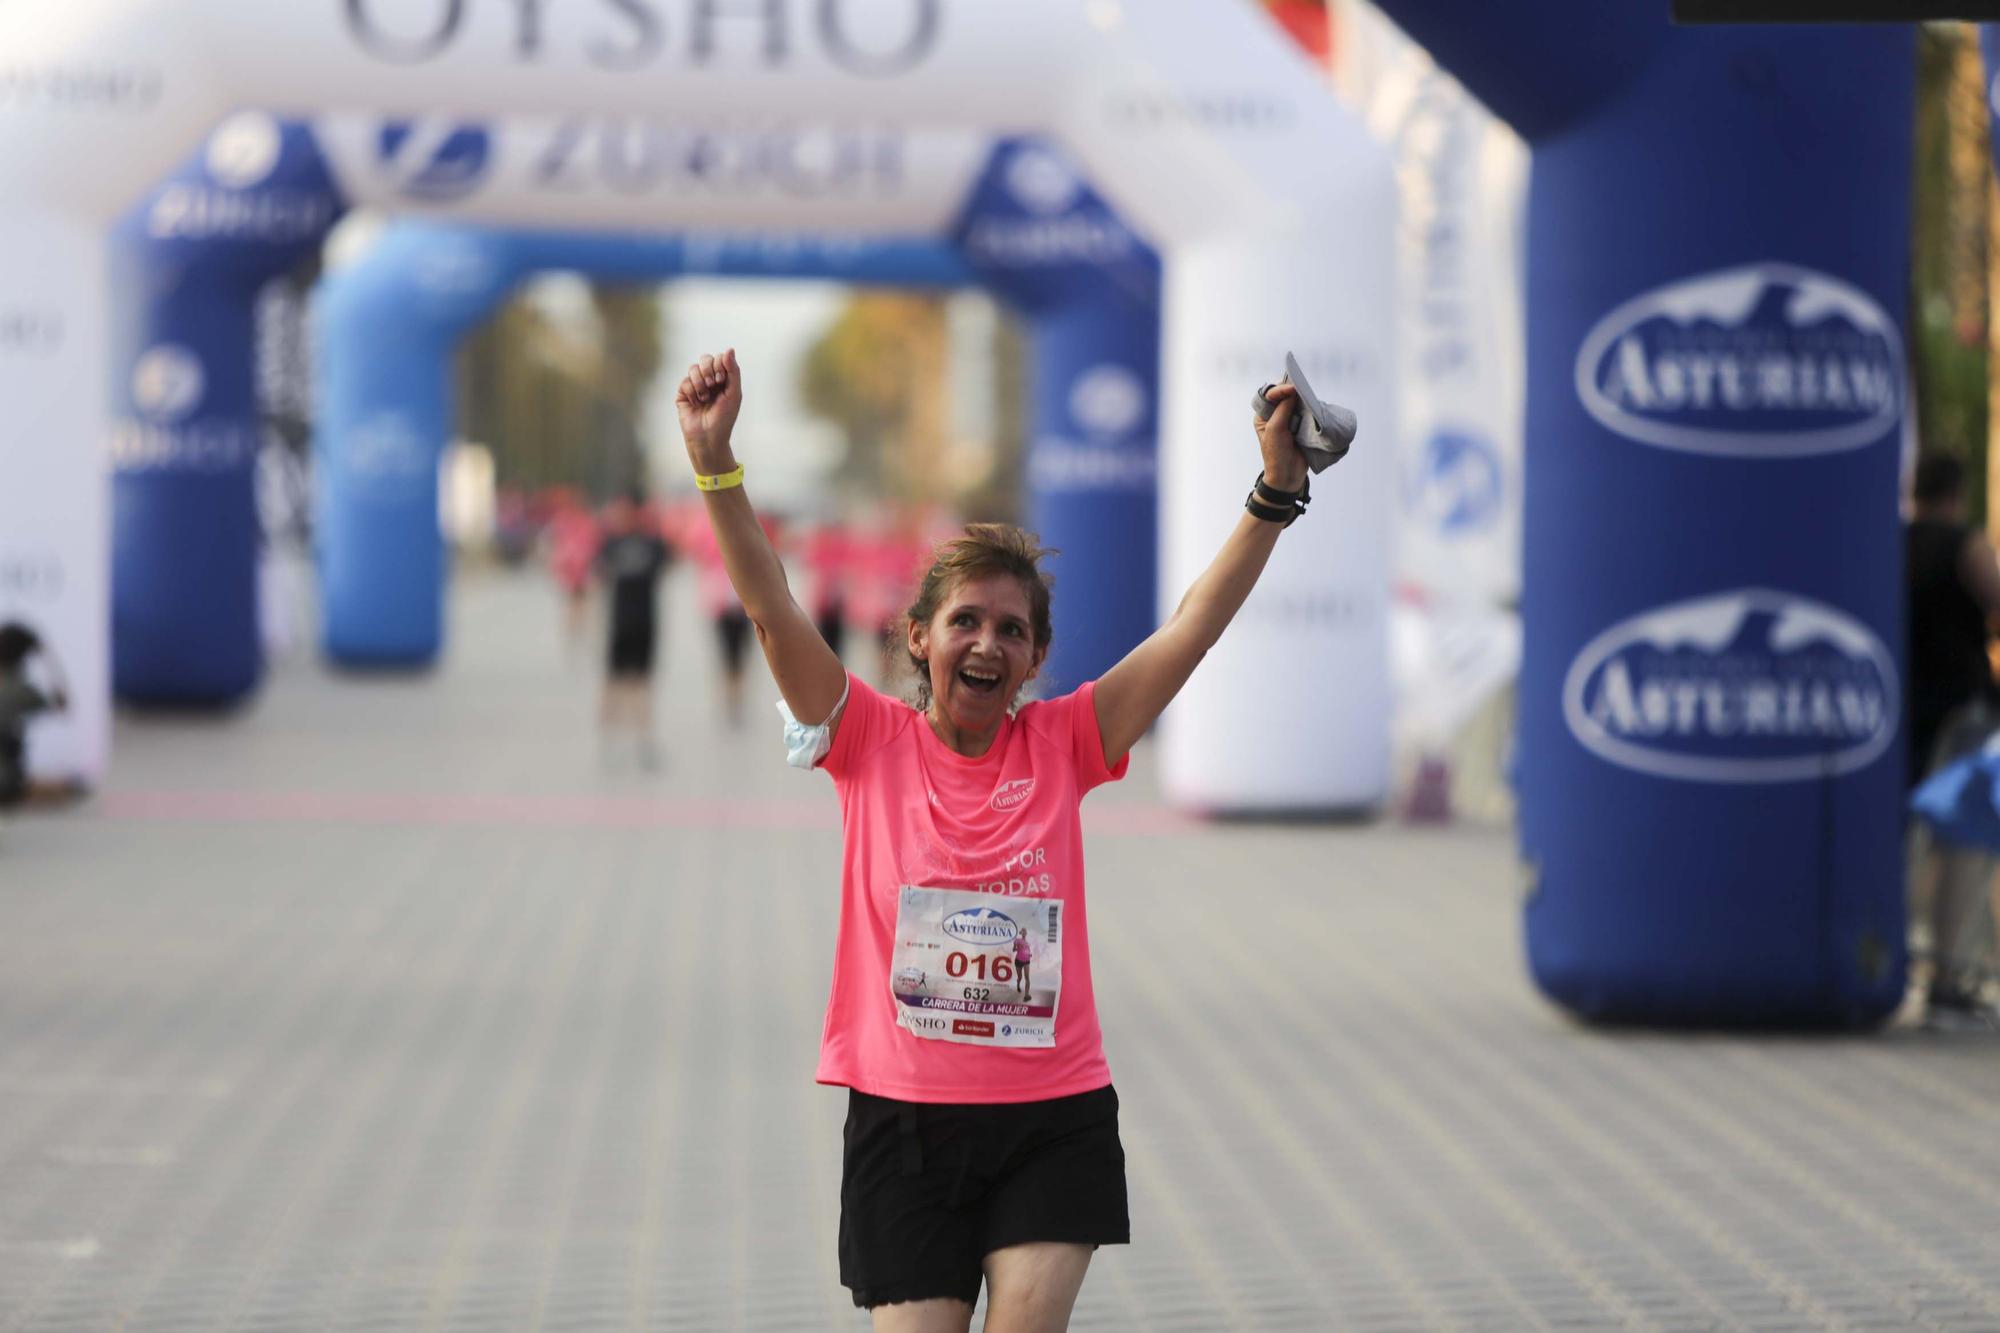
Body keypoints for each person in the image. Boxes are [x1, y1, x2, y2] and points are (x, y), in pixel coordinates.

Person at [676, 345, 1316, 1330]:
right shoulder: (864, 739)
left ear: (1034, 659)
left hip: (1050, 1115)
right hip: (904, 1122)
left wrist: (1273, 492)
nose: (986, 641)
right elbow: (768, 611)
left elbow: (1192, 626)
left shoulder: (1068, 741)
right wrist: (714, 461)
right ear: (918, 637)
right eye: (964, 620)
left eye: (1010, 630)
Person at [1904, 452, 2000, 1028]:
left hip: (1901, 711)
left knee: (1905, 842)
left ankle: (1891, 959)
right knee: (1963, 842)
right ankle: (1945, 978)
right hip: (1960, 715)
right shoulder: (1966, 544)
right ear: (1956, 492)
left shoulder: (1892, 540)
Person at [593, 490, 674, 770]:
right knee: (614, 685)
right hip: (619, 623)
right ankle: (609, 742)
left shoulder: (654, 543)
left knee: (642, 685)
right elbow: (598, 570)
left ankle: (644, 742)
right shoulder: (611, 542)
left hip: (645, 623)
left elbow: (670, 560)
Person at [0, 622, 70, 810]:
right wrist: (47, 657)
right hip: (7, 781)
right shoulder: (21, 691)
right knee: (67, 789)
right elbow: (63, 704)